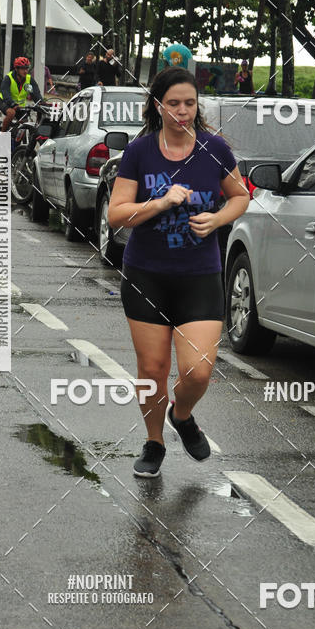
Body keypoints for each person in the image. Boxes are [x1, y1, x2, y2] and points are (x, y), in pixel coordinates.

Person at [108, 66, 250, 478]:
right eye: (174, 104)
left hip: (199, 275)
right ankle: (154, 443)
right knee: (152, 369)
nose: (183, 111)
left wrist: (218, 219)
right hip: (146, 274)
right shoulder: (140, 152)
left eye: (190, 103)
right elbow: (117, 215)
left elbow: (240, 197)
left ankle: (182, 415)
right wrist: (159, 203)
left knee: (198, 370)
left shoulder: (214, 148)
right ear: (158, 105)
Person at [0, 56, 43, 132]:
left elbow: (36, 94)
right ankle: (2, 135)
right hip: (5, 103)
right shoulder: (8, 78)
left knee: (25, 123)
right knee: (11, 113)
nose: (25, 71)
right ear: (16, 69)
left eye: (26, 68)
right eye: (22, 69)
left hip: (21, 107)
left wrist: (41, 103)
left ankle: (18, 137)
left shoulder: (29, 79)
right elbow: (5, 93)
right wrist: (13, 104)